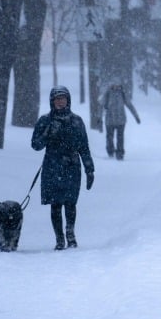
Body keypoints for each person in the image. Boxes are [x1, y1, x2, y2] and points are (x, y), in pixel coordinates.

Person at [31, 86, 94, 250]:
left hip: (72, 167)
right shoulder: (45, 121)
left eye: (63, 98)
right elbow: (35, 145)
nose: (60, 102)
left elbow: (84, 148)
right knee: (55, 204)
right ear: (52, 101)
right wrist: (47, 133)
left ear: (68, 100)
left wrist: (89, 169)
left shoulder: (77, 121)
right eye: (57, 99)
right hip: (52, 167)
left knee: (71, 203)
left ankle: (70, 234)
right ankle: (59, 239)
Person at [100, 81, 140, 160]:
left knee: (120, 137)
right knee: (109, 137)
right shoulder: (107, 94)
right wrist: (99, 117)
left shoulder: (122, 94)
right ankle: (110, 151)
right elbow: (101, 106)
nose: (116, 87)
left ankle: (120, 153)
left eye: (118, 85)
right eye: (115, 85)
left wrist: (136, 116)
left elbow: (130, 106)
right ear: (111, 85)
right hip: (109, 120)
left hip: (121, 120)